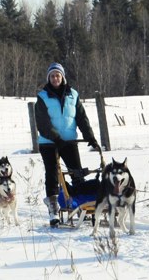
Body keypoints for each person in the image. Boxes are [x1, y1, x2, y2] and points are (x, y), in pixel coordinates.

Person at [35, 62, 100, 225]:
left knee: (77, 172)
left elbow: (81, 118)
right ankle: (53, 207)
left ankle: (81, 204)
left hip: (69, 141)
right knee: (52, 173)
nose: (55, 78)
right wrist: (56, 137)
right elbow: (42, 123)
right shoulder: (42, 97)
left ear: (62, 77)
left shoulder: (73, 95)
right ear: (48, 78)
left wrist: (90, 136)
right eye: (52, 76)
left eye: (58, 75)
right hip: (49, 142)